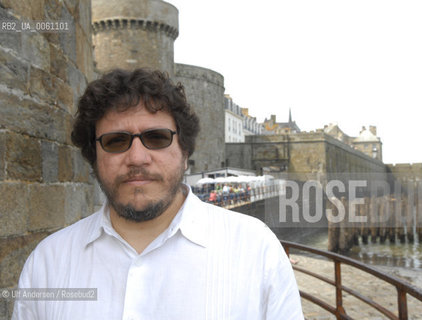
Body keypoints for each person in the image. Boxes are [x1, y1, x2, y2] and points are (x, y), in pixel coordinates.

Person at [13, 68, 303, 319]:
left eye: (157, 138)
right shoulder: (47, 264)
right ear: (94, 156)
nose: (137, 157)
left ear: (185, 151)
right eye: (116, 141)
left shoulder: (256, 250)